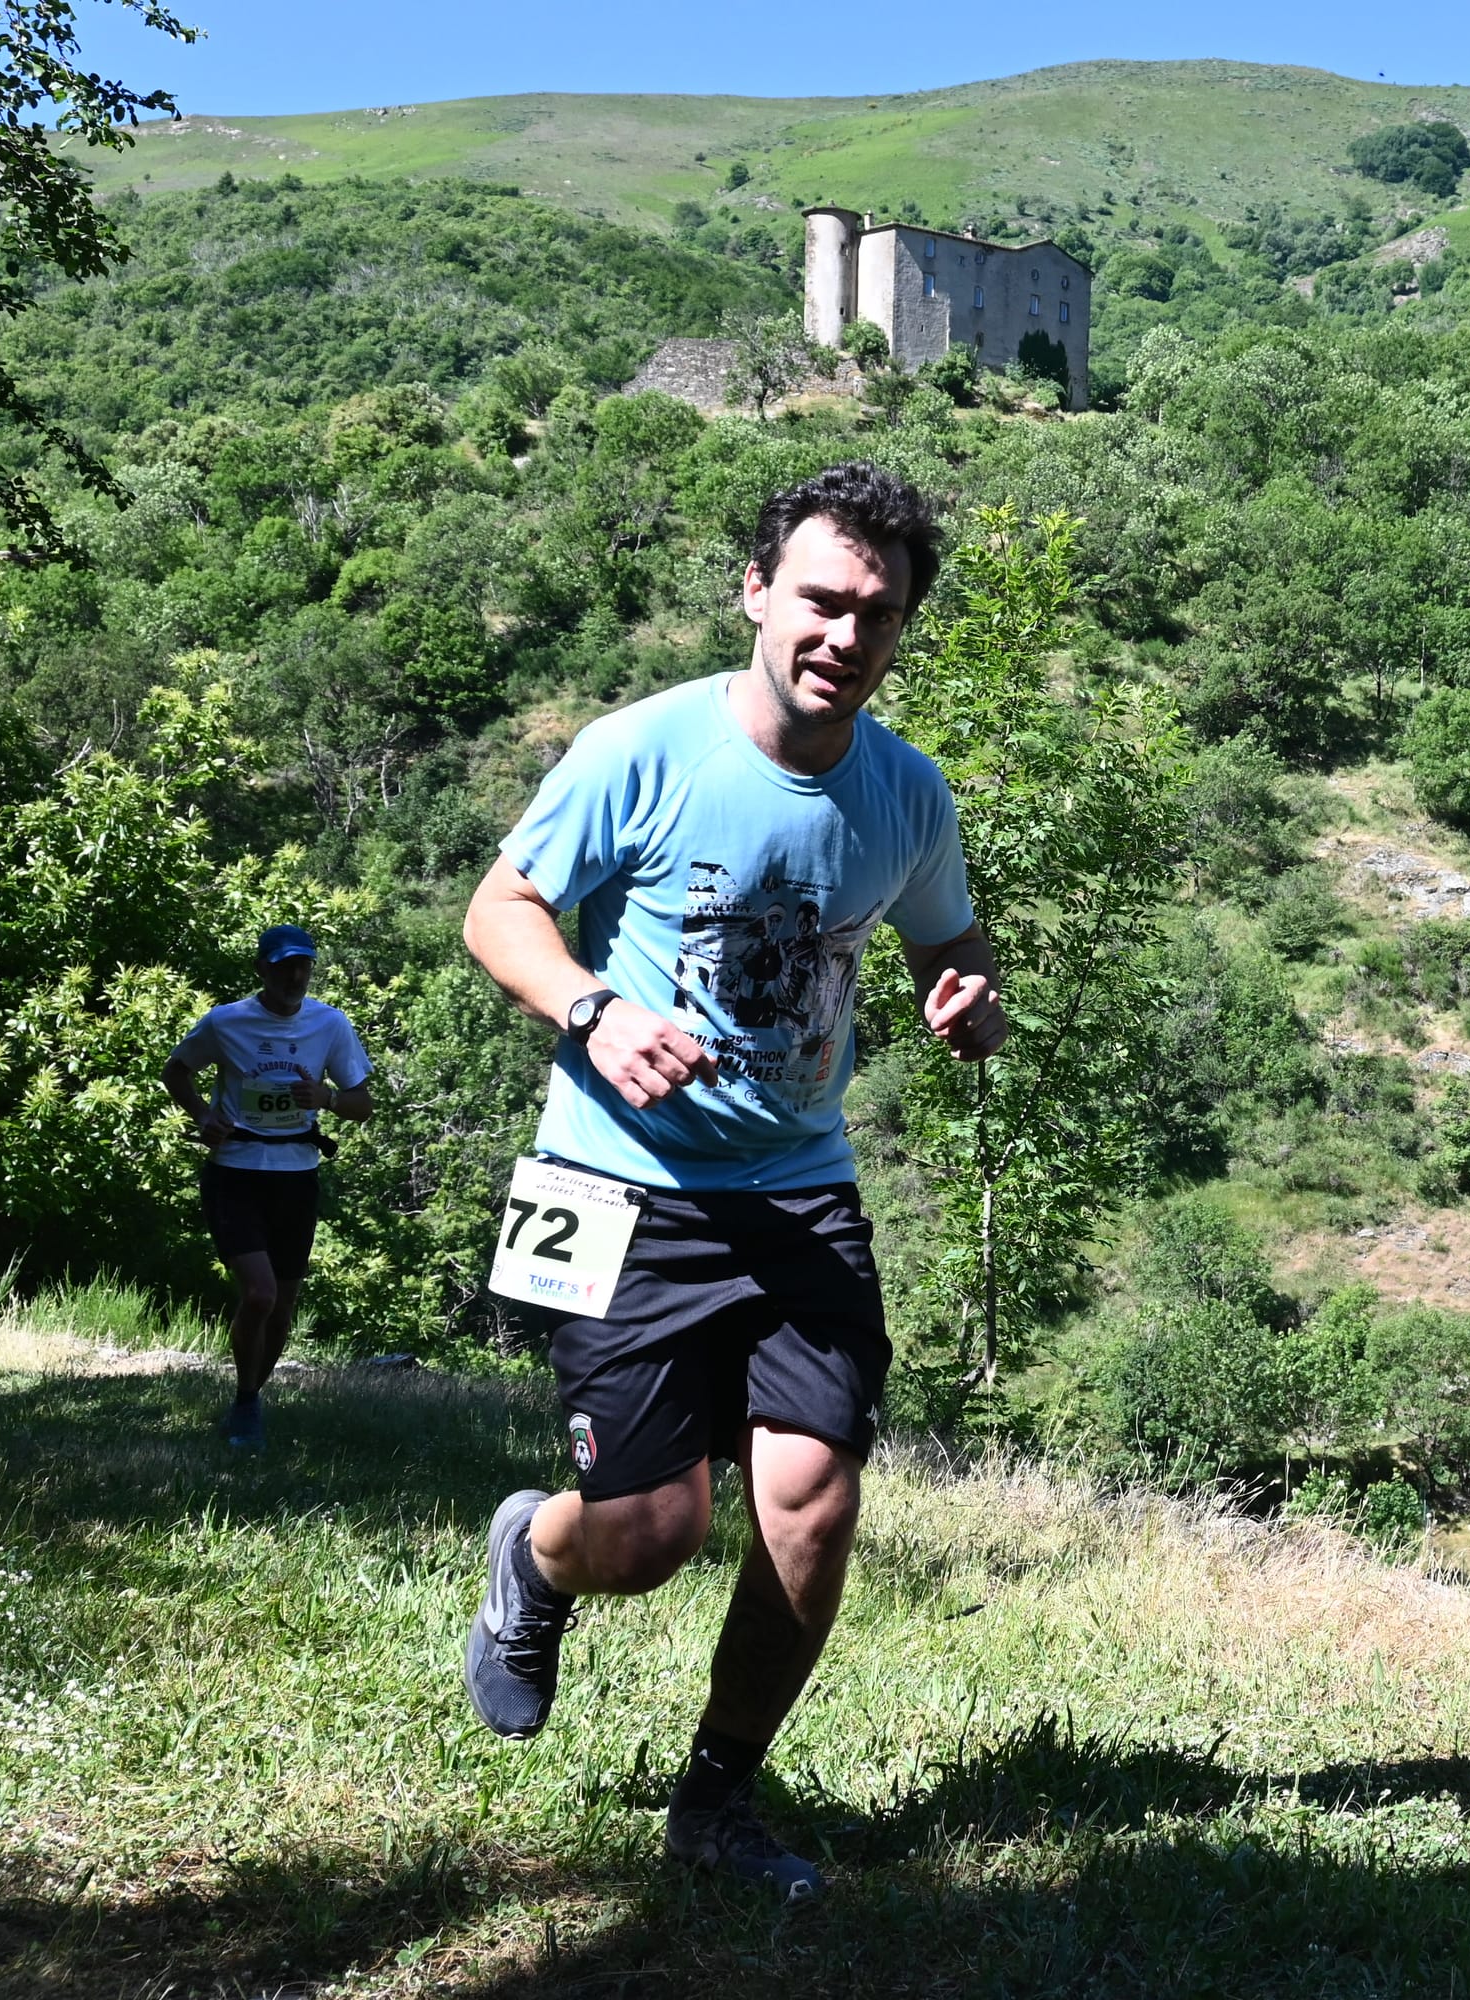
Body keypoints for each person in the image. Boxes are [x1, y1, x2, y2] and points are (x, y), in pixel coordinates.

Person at [460, 462, 1006, 1899]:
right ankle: (535, 1555)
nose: (844, 634)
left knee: (812, 1501)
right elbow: (500, 910)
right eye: (821, 599)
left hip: (798, 1184)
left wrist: (967, 997)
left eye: (877, 614)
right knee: (651, 1533)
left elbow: (949, 940)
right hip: (612, 1177)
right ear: (756, 592)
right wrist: (592, 1009)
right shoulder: (639, 749)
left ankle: (717, 1800)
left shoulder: (906, 794)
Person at [161, 924, 373, 1450]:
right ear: (262, 970)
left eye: (302, 966)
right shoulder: (226, 1021)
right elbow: (176, 1071)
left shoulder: (329, 1023)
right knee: (260, 1294)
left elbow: (362, 1104)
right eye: (282, 967)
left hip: (296, 1176)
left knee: (281, 1308)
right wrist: (203, 1116)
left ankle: (250, 1398)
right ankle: (245, 1400)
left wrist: (325, 1098)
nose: (294, 977)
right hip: (235, 1171)